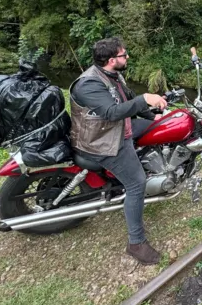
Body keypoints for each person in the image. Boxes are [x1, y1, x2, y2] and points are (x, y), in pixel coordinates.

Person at [69, 36, 168, 264]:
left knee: (163, 127)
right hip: (101, 141)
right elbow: (112, 112)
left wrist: (155, 113)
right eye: (124, 55)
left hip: (119, 129)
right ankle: (136, 243)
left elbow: (129, 100)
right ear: (112, 60)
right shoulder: (89, 84)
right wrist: (146, 98)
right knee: (136, 184)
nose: (128, 57)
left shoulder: (112, 75)